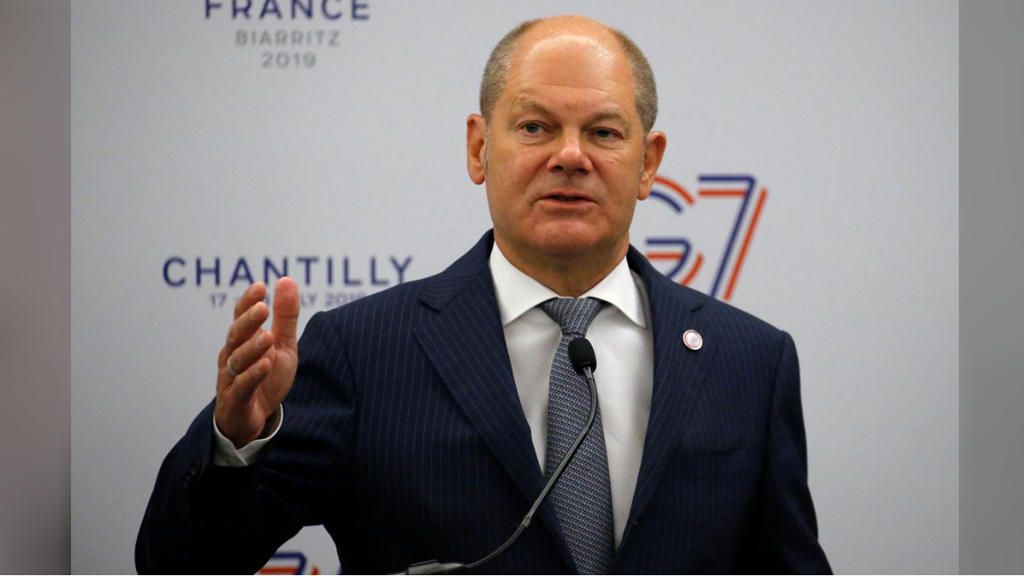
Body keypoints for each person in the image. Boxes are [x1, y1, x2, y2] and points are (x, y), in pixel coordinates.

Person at [137, 14, 831, 574]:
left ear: (649, 163)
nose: (570, 156)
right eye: (535, 127)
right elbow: (182, 563)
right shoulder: (365, 351)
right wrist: (237, 441)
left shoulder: (750, 362)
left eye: (603, 132)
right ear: (479, 148)